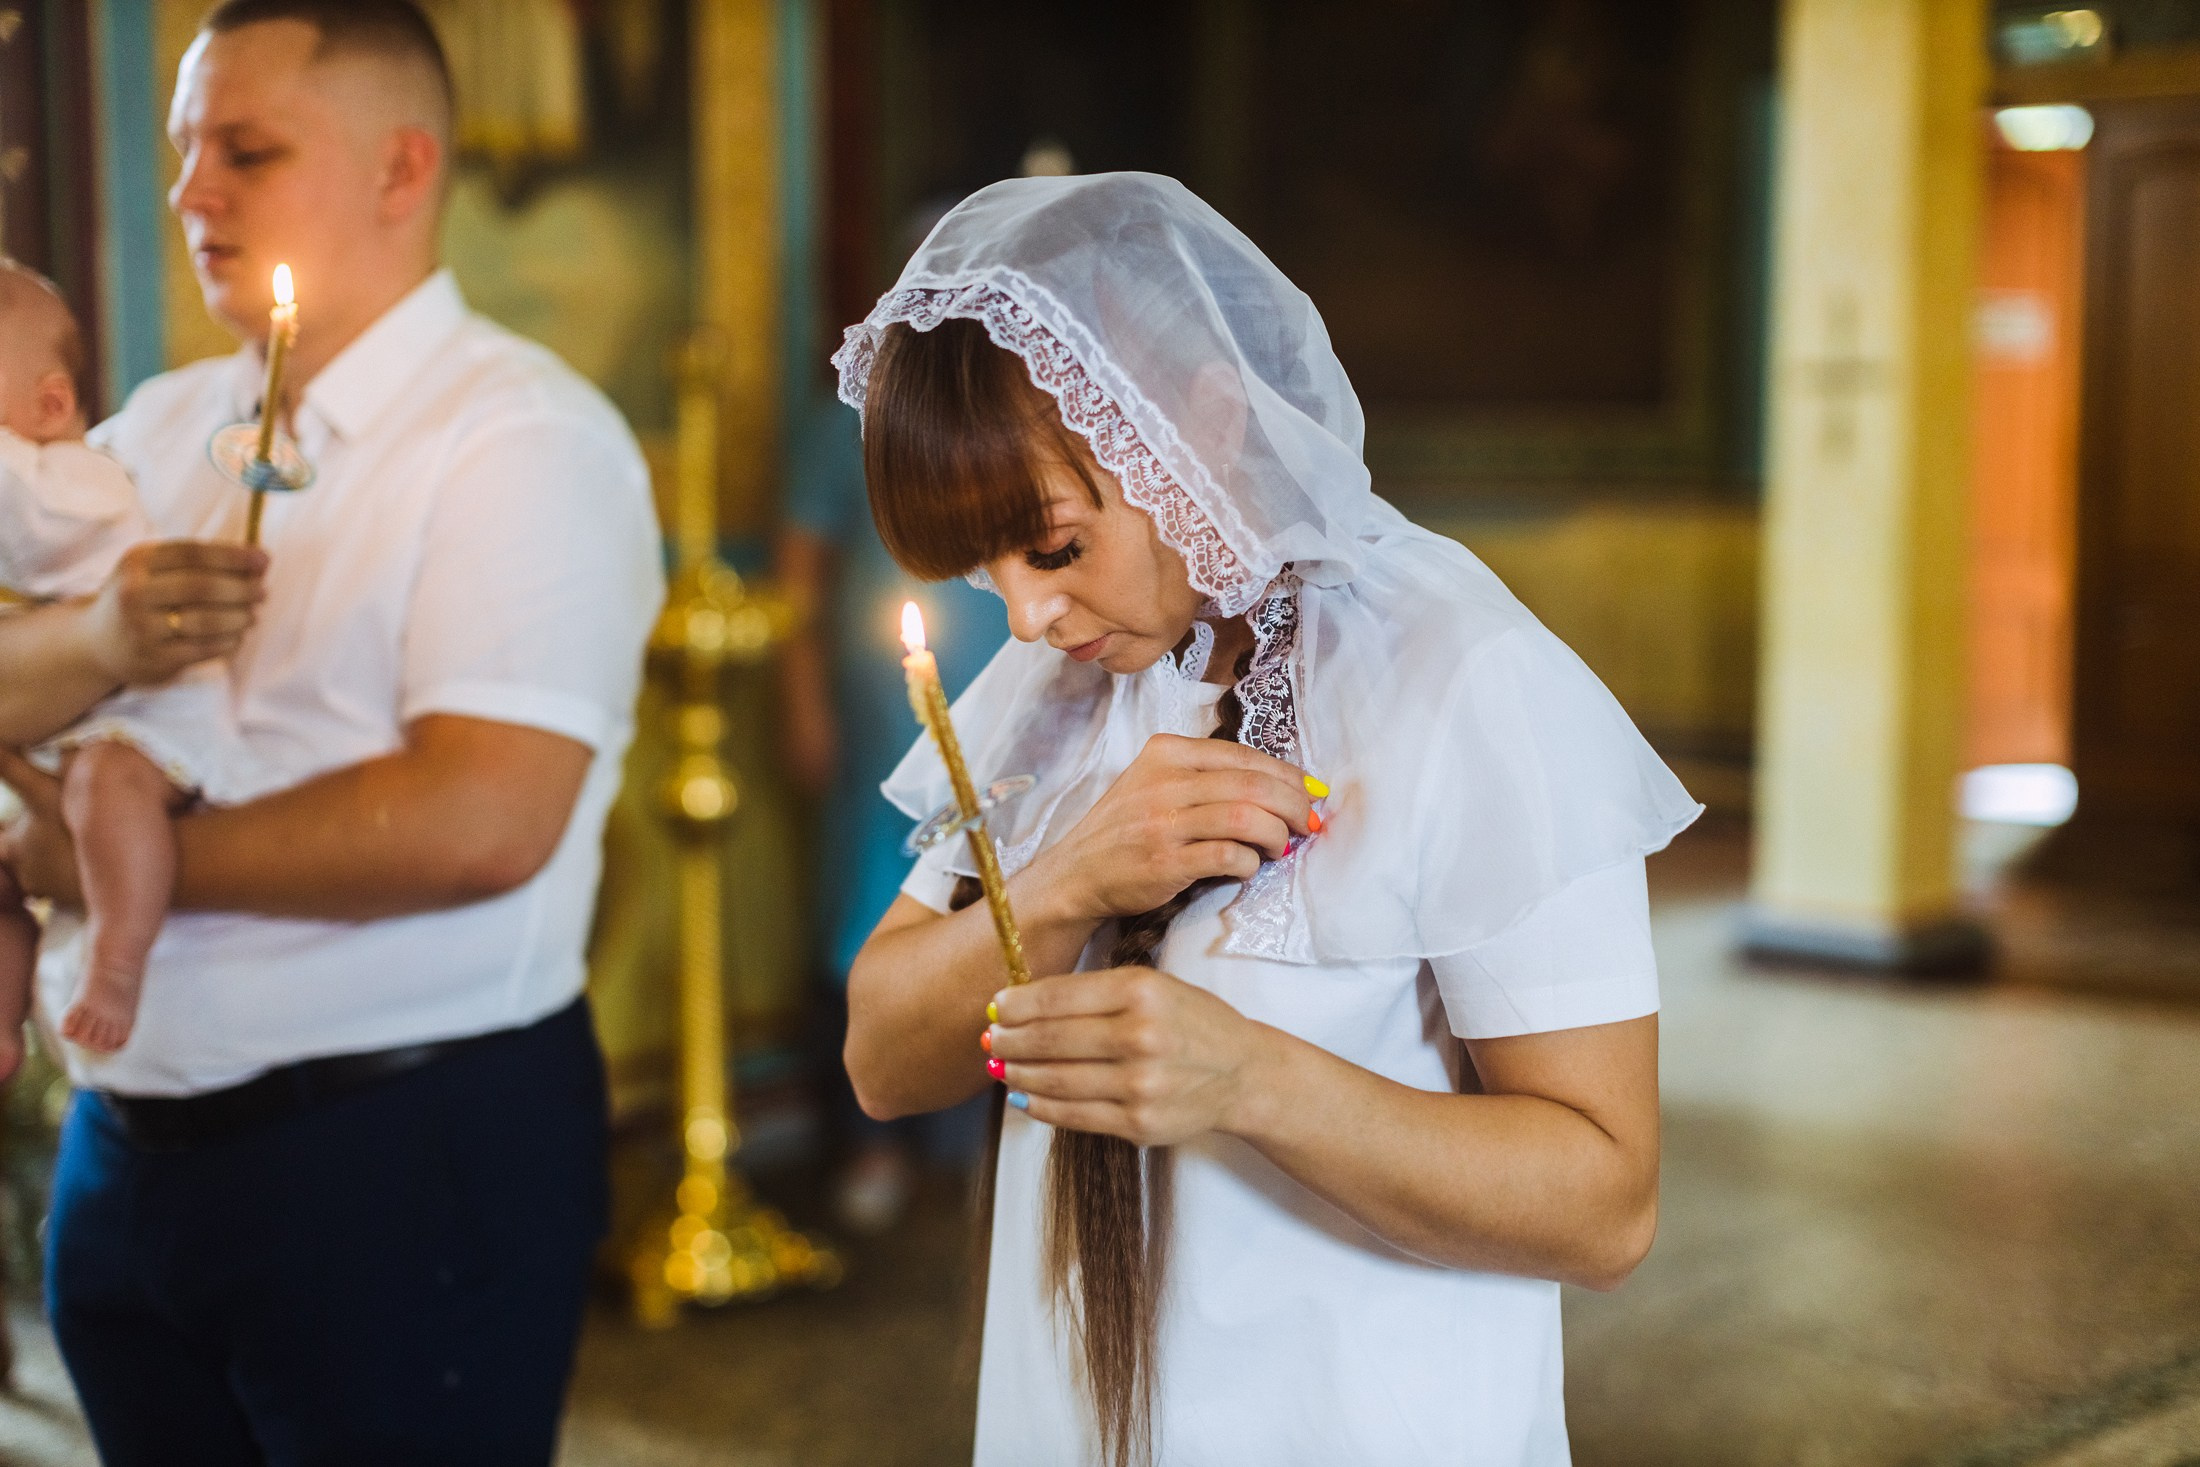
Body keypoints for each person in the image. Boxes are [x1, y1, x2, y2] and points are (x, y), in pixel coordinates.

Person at [837, 173, 1702, 1467]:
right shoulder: (1063, 683)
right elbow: (884, 1061)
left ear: (1198, 424)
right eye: (983, 569)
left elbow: (1605, 1202)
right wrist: (1070, 879)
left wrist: (1250, 1078)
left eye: (1054, 548)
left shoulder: (1461, 673)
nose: (1023, 617)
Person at [0, 3, 663, 1462]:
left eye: (247, 150)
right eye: (185, 154)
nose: (193, 194)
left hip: (397, 1152)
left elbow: (480, 817)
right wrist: (88, 652)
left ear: (401, 167)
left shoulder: (520, 441)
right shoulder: (151, 436)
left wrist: (99, 857)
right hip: (125, 1157)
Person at [0, 261, 252, 1067]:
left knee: (105, 789)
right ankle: (7, 1026)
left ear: (49, 404)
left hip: (147, 716)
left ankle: (117, 959)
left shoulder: (75, 480)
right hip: (68, 714)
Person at [776, 387, 1008, 1233]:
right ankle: (872, 1143)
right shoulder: (844, 419)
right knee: (865, 916)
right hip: (880, 724)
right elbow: (801, 568)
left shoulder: (1005, 403)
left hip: (999, 709)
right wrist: (801, 701)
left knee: (995, 909)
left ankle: (968, 1143)